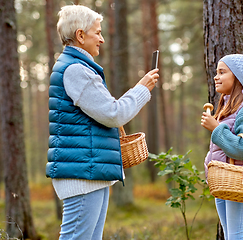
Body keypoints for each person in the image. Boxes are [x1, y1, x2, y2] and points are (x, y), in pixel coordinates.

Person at [46, 5, 159, 240]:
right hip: (83, 173)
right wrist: (141, 89)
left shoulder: (76, 66)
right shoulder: (76, 70)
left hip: (89, 171)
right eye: (97, 33)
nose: (102, 39)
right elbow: (113, 114)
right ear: (80, 35)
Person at [201, 54, 243, 240]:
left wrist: (216, 128)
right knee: (230, 236)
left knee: (237, 237)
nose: (216, 77)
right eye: (216, 72)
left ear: (239, 77)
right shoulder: (228, 107)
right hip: (224, 179)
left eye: (222, 72)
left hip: (240, 180)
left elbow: (242, 148)